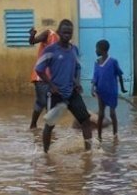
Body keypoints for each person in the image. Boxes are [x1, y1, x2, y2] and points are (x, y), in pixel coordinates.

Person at [35, 19, 93, 153]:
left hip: (72, 92)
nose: (67, 35)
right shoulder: (50, 50)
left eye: (69, 32)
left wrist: (77, 82)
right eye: (65, 32)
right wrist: (51, 84)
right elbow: (39, 69)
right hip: (55, 94)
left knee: (85, 121)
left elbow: (77, 67)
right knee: (49, 125)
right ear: (59, 33)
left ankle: (88, 152)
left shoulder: (74, 50)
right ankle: (46, 154)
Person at [91, 39, 127, 141]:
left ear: (102, 49)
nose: (95, 51)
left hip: (112, 92)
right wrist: (92, 87)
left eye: (96, 48)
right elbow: (95, 76)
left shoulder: (113, 62)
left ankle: (115, 135)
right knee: (101, 114)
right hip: (101, 91)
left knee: (112, 113)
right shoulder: (97, 62)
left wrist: (123, 88)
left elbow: (119, 75)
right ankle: (99, 136)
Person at [28, 26, 59, 129]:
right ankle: (48, 131)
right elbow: (33, 41)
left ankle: (35, 127)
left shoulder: (63, 43)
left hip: (52, 78)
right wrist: (32, 35)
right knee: (45, 103)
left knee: (42, 102)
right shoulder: (48, 33)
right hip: (40, 76)